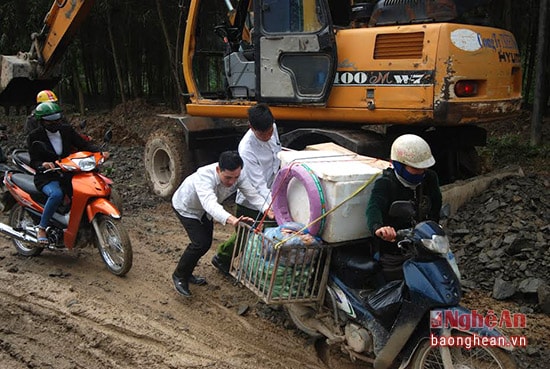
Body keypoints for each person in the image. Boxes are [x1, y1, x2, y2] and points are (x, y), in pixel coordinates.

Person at [171, 150, 273, 297]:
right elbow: (210, 204)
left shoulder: (239, 175)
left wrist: (267, 210)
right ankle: (179, 276)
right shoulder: (204, 176)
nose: (232, 182)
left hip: (204, 212)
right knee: (201, 243)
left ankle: (188, 273)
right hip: (186, 208)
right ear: (218, 169)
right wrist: (232, 220)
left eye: (235, 177)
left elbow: (252, 194)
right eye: (228, 177)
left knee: (205, 243)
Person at [212, 103, 281, 274]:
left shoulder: (272, 127)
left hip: (271, 191)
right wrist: (272, 206)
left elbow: (277, 152)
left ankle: (256, 267)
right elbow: (257, 185)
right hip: (252, 199)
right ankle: (222, 257)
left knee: (265, 234)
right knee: (245, 235)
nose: (268, 135)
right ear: (251, 127)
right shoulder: (247, 149)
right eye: (262, 134)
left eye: (270, 131)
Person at [28, 101, 108, 244]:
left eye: (58, 120)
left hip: (66, 172)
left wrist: (100, 152)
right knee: (56, 194)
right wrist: (43, 165)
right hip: (47, 176)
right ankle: (42, 227)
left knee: (84, 189)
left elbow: (83, 145)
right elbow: (34, 161)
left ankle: (79, 223)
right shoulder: (35, 136)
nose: (55, 124)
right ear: (42, 122)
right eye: (50, 122)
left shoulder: (66, 130)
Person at [366, 134, 442, 282]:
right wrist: (379, 228)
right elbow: (373, 207)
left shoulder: (430, 178)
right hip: (394, 246)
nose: (421, 172)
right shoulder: (386, 183)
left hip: (423, 243)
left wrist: (435, 225)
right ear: (398, 164)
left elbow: (436, 203)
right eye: (415, 168)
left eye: (423, 168)